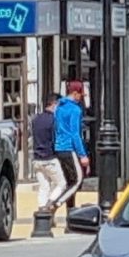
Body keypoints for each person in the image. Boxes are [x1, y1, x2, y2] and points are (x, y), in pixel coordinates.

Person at [50, 79, 89, 217]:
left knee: (68, 181)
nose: (81, 98)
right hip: (69, 148)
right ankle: (56, 203)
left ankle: (70, 214)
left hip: (58, 147)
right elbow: (75, 134)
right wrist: (82, 154)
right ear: (75, 93)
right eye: (80, 94)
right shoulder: (75, 110)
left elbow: (55, 127)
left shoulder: (59, 107)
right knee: (77, 181)